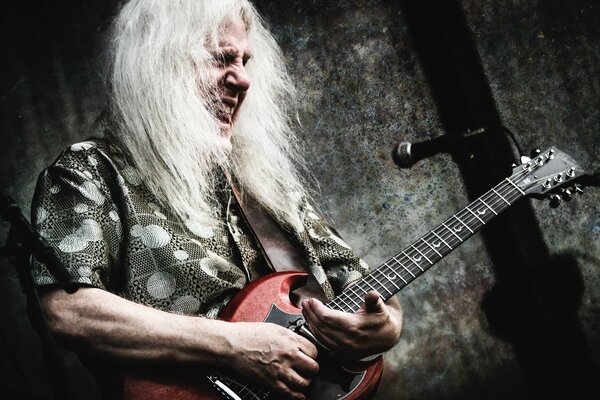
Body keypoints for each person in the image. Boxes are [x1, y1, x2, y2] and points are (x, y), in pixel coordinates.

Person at [31, 1, 402, 399]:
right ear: (160, 64)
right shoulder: (90, 171)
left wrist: (387, 326)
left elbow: (363, 285)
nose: (243, 80)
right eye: (222, 59)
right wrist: (232, 345)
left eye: (245, 61)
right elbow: (68, 311)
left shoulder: (266, 186)